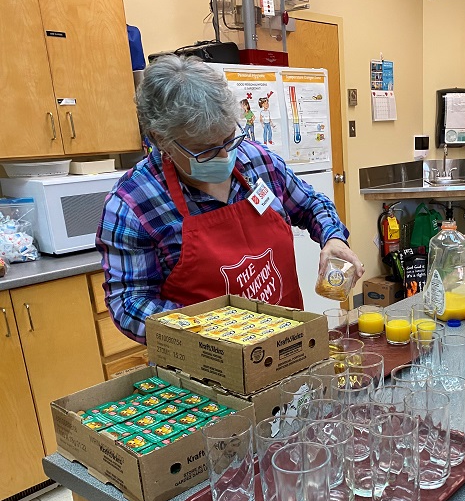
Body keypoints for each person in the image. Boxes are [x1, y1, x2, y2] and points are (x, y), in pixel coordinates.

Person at [97, 55, 363, 344]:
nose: (224, 156)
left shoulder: (256, 161)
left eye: (228, 139)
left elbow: (311, 203)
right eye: (206, 149)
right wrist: (211, 330)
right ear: (160, 139)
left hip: (287, 346)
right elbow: (129, 304)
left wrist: (333, 238)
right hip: (207, 365)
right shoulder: (133, 205)